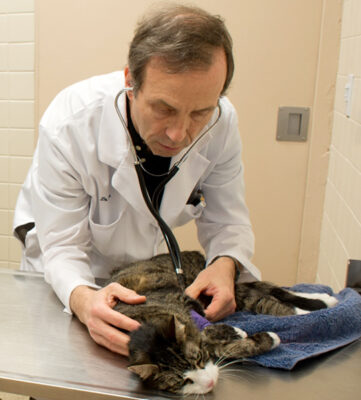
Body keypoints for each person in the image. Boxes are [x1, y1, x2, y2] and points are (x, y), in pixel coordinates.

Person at [13, 4, 260, 356]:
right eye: (164, 108)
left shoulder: (222, 122)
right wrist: (83, 299)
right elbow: (63, 246)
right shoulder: (70, 122)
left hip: (140, 270)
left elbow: (229, 219)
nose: (179, 134)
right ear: (131, 82)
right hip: (62, 267)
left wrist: (225, 263)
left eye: (200, 113)